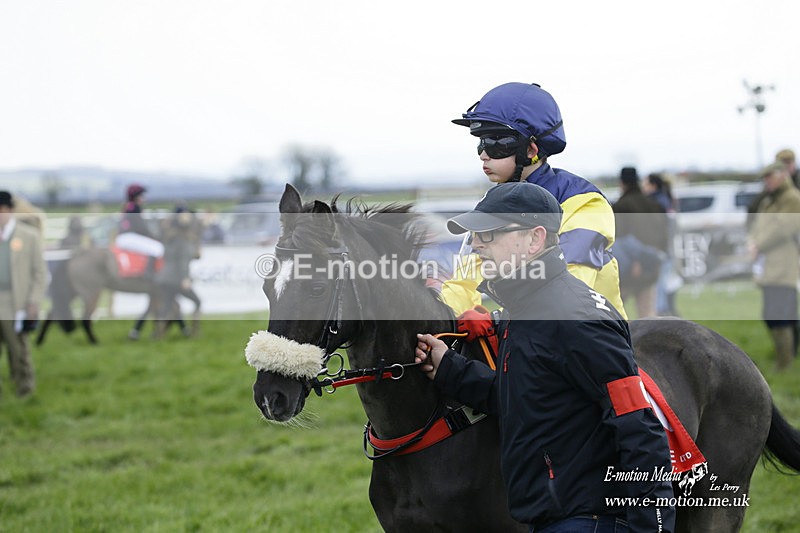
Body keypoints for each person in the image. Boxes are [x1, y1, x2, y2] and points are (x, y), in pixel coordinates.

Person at [415, 182, 675, 532]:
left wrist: (652, 529)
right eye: (475, 235)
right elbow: (525, 398)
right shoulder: (523, 306)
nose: (475, 245)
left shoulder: (575, 318)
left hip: (586, 521)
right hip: (553, 517)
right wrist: (451, 369)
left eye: (489, 234)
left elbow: (639, 429)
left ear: (536, 239)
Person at [442, 82, 627, 320]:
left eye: (495, 142)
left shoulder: (584, 203)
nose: (483, 154)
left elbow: (568, 287)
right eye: (480, 142)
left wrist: (496, 320)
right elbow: (463, 282)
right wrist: (444, 322)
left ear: (530, 149)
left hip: (590, 340)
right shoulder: (492, 202)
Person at [747, 162, 800, 370]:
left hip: (783, 265)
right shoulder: (770, 200)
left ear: (781, 176)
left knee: (780, 314)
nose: (766, 181)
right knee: (771, 314)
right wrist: (753, 242)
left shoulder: (792, 199)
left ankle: (785, 363)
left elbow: (784, 229)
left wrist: (758, 245)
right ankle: (785, 359)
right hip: (768, 265)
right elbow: (758, 225)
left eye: (770, 177)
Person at [0, 191, 47, 398]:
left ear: (7, 210)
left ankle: (25, 390)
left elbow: (40, 273)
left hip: (14, 300)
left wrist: (33, 302)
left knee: (18, 349)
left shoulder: (28, 236)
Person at [613, 167, 669, 318]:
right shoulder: (655, 205)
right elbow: (664, 236)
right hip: (651, 265)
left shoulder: (621, 206)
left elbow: (619, 237)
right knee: (648, 315)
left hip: (629, 268)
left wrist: (637, 261)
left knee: (615, 314)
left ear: (622, 183)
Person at [642, 173, 681, 315]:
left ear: (653, 185)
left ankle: (663, 314)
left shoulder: (656, 203)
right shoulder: (666, 201)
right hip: (667, 250)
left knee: (659, 288)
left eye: (645, 184)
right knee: (665, 284)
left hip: (660, 250)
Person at [115, 183, 164, 276]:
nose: (143, 198)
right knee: (158, 249)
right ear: (136, 197)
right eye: (141, 195)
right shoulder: (135, 207)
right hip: (129, 237)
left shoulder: (127, 206)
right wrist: (154, 237)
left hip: (123, 237)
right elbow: (141, 228)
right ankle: (149, 275)